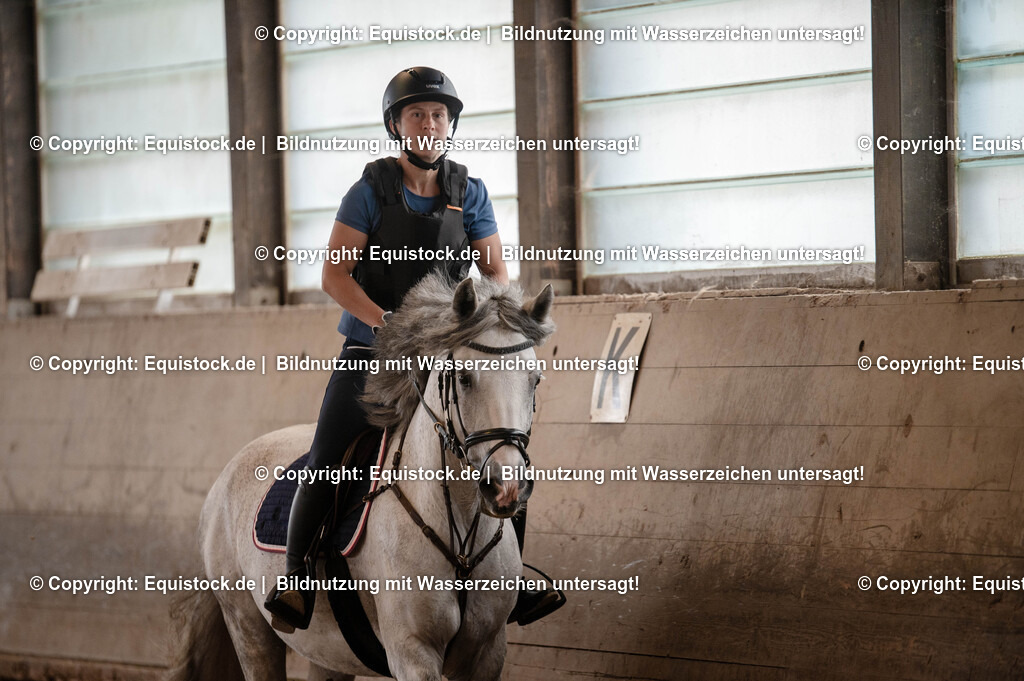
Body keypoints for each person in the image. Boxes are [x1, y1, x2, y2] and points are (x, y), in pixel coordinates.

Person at [264, 66, 564, 632]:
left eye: (438, 114)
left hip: (446, 359)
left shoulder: (469, 193)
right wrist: (388, 327)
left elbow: (497, 270)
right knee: (329, 456)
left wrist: (497, 321)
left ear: (450, 125)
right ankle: (297, 578)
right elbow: (335, 276)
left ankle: (515, 575)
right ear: (397, 126)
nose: (429, 123)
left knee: (505, 448)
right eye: (417, 114)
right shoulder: (369, 192)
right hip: (372, 355)